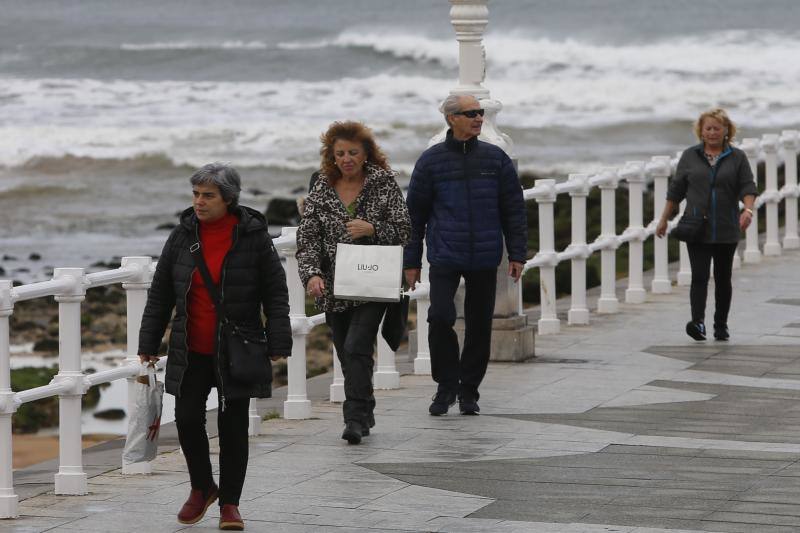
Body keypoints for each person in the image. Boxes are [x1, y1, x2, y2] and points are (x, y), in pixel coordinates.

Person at [138, 163, 292, 531]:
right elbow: (160, 293)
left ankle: (230, 504)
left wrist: (279, 339)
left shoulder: (252, 235)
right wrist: (148, 342)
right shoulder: (182, 235)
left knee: (233, 426)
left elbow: (275, 292)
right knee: (188, 420)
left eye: (208, 195)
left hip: (237, 349)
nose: (199, 202)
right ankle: (202, 486)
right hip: (190, 348)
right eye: (196, 194)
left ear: (228, 198)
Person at [403, 94, 528, 417]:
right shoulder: (430, 161)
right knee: (440, 317)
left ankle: (469, 390)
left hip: (486, 255)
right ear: (451, 118)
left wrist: (517, 253)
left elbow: (513, 209)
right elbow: (414, 216)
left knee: (478, 324)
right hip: (445, 253)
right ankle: (446, 386)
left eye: (481, 112)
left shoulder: (495, 159)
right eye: (471, 113)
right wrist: (412, 262)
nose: (478, 118)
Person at [296, 121, 410, 444]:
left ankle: (354, 418)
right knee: (348, 354)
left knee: (356, 346)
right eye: (340, 153)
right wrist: (312, 274)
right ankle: (366, 405)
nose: (346, 159)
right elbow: (308, 237)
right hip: (335, 286)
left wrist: (372, 229)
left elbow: (405, 230)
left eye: (353, 153)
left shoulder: (384, 182)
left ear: (366, 154)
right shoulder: (321, 185)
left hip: (374, 282)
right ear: (331, 156)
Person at [656, 108, 757, 341]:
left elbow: (748, 188)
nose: (712, 132)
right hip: (696, 228)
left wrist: (748, 211)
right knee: (699, 277)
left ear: (726, 131)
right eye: (708, 128)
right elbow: (676, 191)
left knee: (723, 278)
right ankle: (697, 323)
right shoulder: (690, 156)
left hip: (726, 228)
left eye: (717, 128)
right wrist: (663, 219)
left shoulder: (737, 157)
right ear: (701, 131)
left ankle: (720, 325)